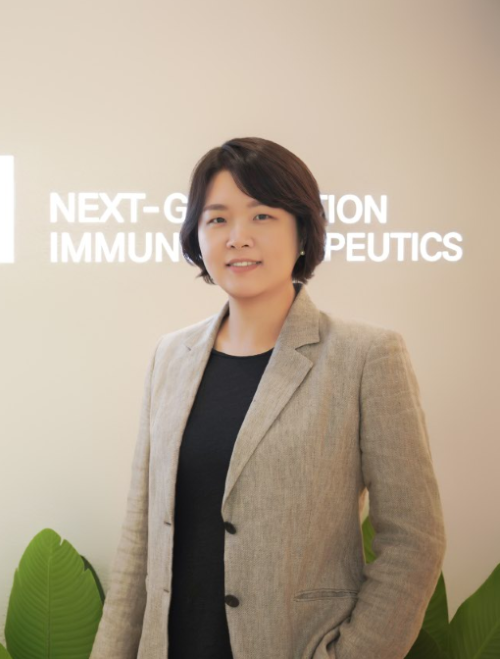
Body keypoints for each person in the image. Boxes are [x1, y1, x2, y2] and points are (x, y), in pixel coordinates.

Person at [88, 137, 446, 659]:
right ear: (197, 236)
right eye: (217, 219)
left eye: (262, 216)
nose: (238, 237)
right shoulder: (171, 356)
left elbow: (414, 541)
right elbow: (140, 538)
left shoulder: (365, 356)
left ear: (302, 231)